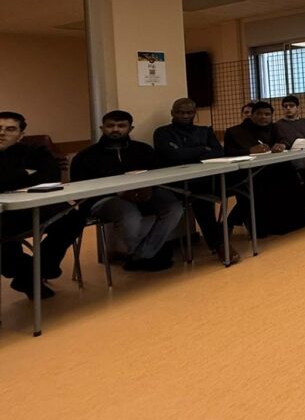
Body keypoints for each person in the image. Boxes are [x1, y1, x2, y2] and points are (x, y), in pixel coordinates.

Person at [71, 111, 183, 272]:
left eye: (121, 125)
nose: (115, 129)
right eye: (110, 126)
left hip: (144, 192)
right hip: (104, 199)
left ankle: (141, 255)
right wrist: (119, 193)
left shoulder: (143, 150)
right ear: (102, 128)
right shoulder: (85, 156)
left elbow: (158, 174)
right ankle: (145, 256)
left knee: (174, 207)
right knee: (129, 215)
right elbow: (79, 189)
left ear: (130, 128)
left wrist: (150, 189)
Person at [0, 111, 84, 299]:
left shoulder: (35, 152)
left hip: (33, 206)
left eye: (10, 129)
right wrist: (24, 174)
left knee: (73, 215)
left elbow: (50, 177)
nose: (2, 133)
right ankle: (28, 275)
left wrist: (10, 179)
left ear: (21, 135)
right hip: (4, 214)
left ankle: (41, 268)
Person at [153, 98, 239, 264]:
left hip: (207, 179)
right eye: (180, 112)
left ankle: (228, 225)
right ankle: (220, 245)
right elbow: (172, 156)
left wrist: (187, 153)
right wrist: (202, 149)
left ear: (195, 113)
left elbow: (219, 153)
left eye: (189, 112)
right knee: (201, 198)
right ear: (172, 113)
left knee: (250, 185)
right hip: (176, 184)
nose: (185, 116)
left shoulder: (204, 131)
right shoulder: (162, 132)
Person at [223, 101, 305, 236]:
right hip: (249, 173)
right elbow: (228, 153)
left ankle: (291, 222)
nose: (263, 117)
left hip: (273, 168)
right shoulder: (235, 132)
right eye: (259, 114)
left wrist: (281, 145)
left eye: (267, 114)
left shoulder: (274, 127)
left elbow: (283, 140)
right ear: (251, 115)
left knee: (290, 173)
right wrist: (249, 150)